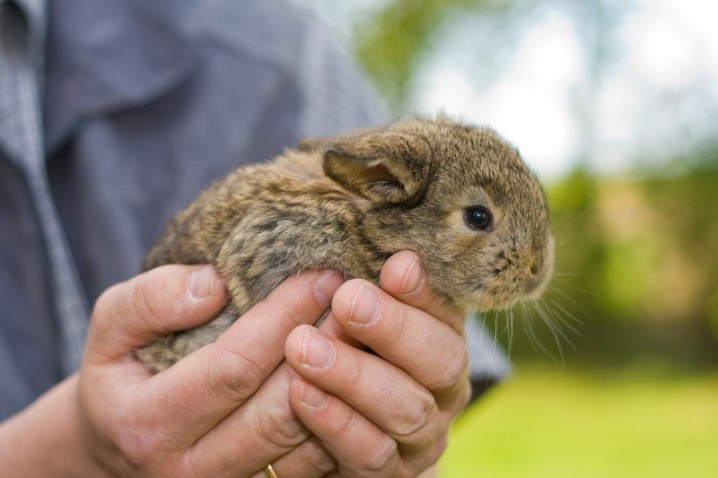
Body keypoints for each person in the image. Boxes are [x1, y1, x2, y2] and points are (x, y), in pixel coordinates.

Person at [0, 0, 508, 475]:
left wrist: (400, 423)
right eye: (479, 219)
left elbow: (427, 424)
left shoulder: (286, 48)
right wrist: (82, 452)